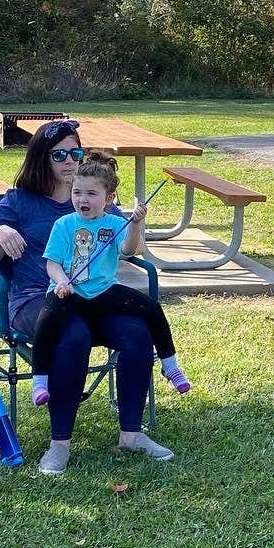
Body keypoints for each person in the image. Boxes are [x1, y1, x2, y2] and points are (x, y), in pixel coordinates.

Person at [0, 119, 175, 475]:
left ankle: (131, 434)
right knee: (74, 335)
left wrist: (136, 223)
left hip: (93, 297)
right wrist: (0, 230)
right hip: (38, 299)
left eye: (76, 152)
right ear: (41, 158)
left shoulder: (93, 195)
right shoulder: (19, 201)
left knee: (136, 332)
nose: (70, 161)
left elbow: (127, 246)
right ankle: (59, 445)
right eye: (59, 154)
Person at [30, 150, 189, 407]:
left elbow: (129, 251)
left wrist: (135, 224)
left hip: (103, 291)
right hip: (68, 292)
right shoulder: (63, 225)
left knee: (151, 308)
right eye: (77, 192)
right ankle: (40, 381)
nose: (83, 199)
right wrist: (61, 281)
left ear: (109, 198)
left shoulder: (115, 223)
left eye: (92, 194)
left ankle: (169, 365)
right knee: (46, 321)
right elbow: (53, 263)